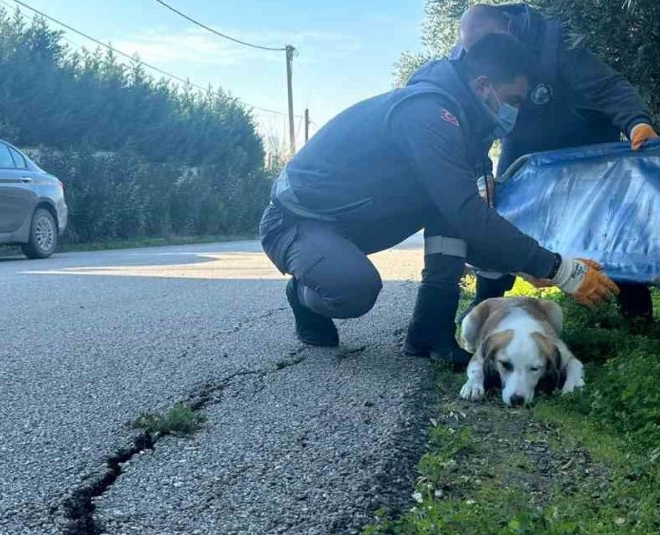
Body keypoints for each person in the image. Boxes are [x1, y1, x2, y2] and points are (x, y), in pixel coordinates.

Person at [260, 33, 618, 348]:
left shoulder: (466, 126)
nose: (515, 113)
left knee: (447, 209)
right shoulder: (430, 114)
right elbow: (467, 212)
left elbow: (465, 221)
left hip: (355, 221)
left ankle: (430, 329)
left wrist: (530, 266)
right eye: (514, 100)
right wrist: (560, 269)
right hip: (296, 219)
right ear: (482, 86)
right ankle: (302, 294)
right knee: (355, 290)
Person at [404, 3, 660, 366]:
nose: (479, 53)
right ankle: (488, 298)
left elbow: (607, 86)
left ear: (508, 28)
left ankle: (635, 307)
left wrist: (636, 122)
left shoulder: (557, 43)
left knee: (612, 219)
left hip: (587, 142)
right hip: (523, 144)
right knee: (499, 209)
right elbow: (472, 118)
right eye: (472, 49)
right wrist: (482, 170)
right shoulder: (465, 59)